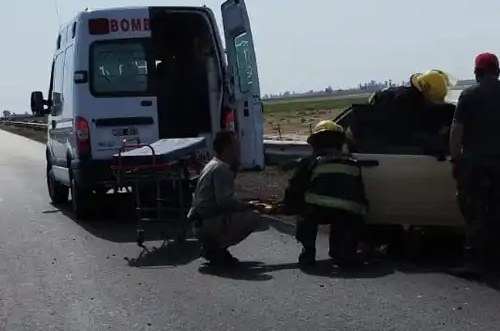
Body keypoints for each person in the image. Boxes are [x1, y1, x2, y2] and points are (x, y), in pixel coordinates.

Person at [448, 52, 500, 278]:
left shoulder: (469, 95)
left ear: (477, 72)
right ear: (498, 71)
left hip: (474, 163)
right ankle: (499, 262)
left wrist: (455, 158)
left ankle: (474, 263)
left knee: (475, 212)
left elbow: (456, 130)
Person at [284, 120, 370, 269]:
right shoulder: (353, 162)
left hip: (317, 211)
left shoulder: (310, 161)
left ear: (316, 142)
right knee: (347, 217)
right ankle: (342, 253)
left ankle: (308, 253)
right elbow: (360, 191)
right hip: (348, 213)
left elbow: (295, 187)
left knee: (304, 212)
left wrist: (289, 205)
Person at [188, 129, 268, 268]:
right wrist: (251, 205)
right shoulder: (222, 169)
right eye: (235, 146)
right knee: (254, 216)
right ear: (227, 149)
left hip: (200, 221)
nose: (238, 150)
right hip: (207, 223)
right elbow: (224, 202)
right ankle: (215, 247)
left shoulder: (213, 164)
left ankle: (215, 248)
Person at [349, 69, 453, 152]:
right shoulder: (402, 106)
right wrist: (436, 140)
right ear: (424, 96)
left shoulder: (409, 99)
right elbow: (409, 135)